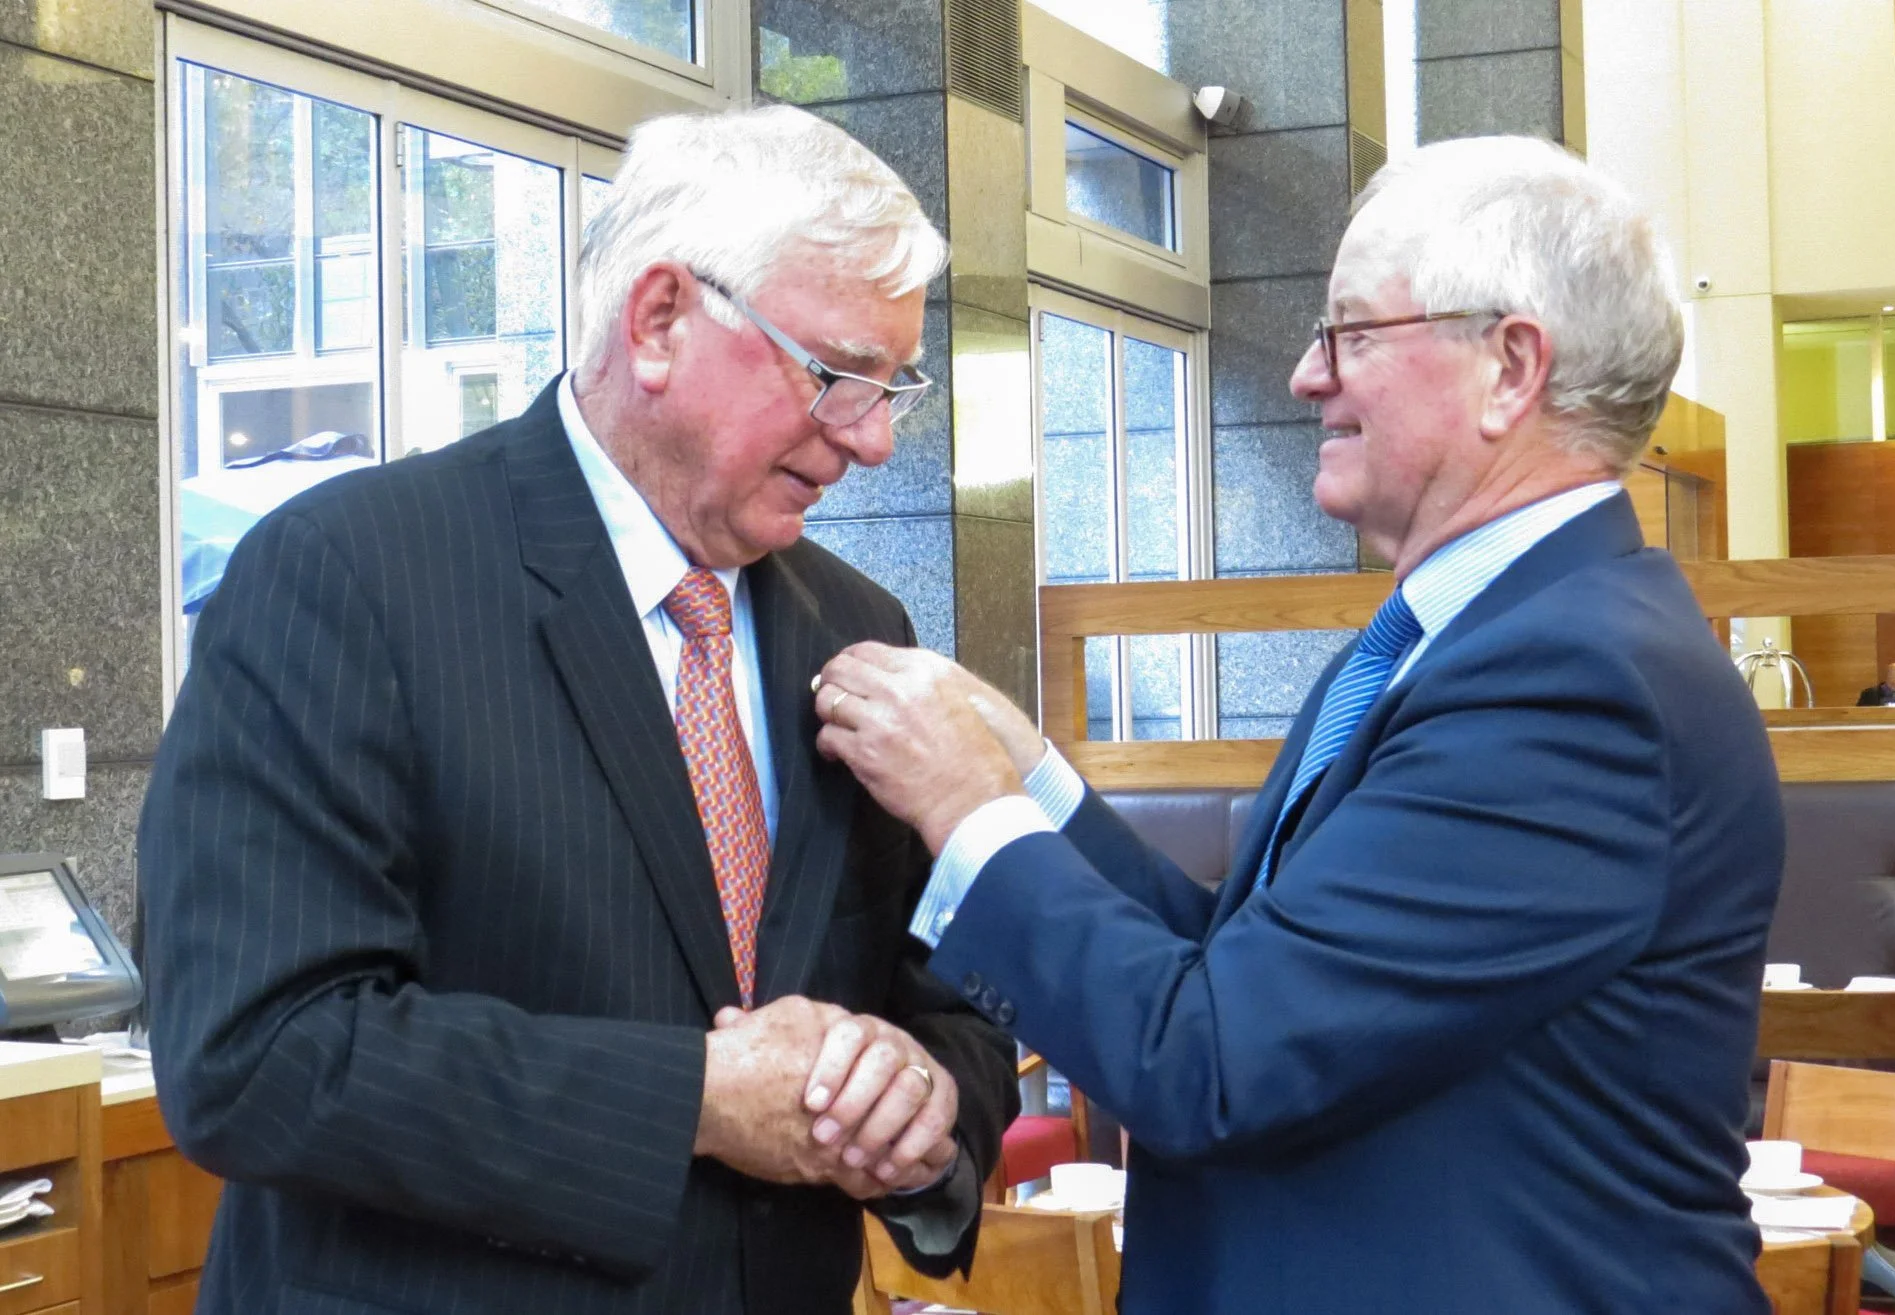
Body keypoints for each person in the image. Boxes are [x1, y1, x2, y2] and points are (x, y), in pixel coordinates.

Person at [806, 136, 1784, 1311]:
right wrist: (1032, 778)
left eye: (1352, 332)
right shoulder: (1457, 640)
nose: (1306, 375)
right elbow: (1249, 967)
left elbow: (1214, 1059)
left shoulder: (1574, 684)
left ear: (1511, 367)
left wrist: (968, 805)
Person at [137, 106, 1017, 1315]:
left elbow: (952, 1006)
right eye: (835, 378)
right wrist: (695, 1098)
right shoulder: (347, 578)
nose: (872, 442)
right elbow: (258, 1053)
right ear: (659, 321)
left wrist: (919, 1100)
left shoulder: (857, 628)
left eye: (892, 388)